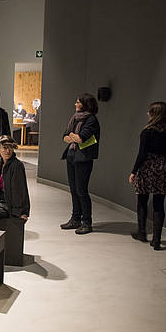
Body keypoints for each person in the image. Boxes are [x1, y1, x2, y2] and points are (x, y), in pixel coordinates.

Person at [129, 102, 166, 250]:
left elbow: (142, 153)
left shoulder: (147, 131)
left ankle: (142, 232)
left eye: (149, 111)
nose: (147, 113)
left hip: (148, 168)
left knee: (142, 199)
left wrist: (133, 171)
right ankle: (156, 240)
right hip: (164, 168)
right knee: (159, 203)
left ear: (153, 114)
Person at [60, 93, 101, 235]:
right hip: (71, 156)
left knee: (81, 191)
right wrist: (73, 137)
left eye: (78, 102)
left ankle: (87, 222)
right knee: (73, 189)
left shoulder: (91, 120)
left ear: (85, 104)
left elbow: (81, 138)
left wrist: (73, 137)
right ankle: (75, 218)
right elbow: (65, 137)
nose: (75, 104)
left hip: (84, 159)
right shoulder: (75, 118)